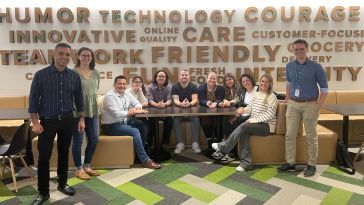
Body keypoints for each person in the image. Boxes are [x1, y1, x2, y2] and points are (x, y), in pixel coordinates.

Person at [29, 43, 85, 205]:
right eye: (61, 54)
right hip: (47, 122)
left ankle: (62, 183)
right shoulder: (41, 75)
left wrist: (81, 119)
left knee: (63, 152)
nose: (64, 57)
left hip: (68, 120)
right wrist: (35, 122)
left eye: (67, 55)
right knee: (44, 157)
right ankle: (43, 192)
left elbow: (79, 100)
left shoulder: (74, 76)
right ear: (54, 55)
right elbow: (33, 100)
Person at [277, 39, 328, 177]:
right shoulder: (289, 66)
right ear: (293, 50)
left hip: (310, 104)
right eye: (296, 49)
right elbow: (288, 83)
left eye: (301, 49)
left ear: (306, 50)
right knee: (290, 135)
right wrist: (287, 98)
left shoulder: (316, 67)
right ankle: (290, 162)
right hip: (293, 104)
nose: (299, 51)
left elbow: (324, 89)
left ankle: (311, 164)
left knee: (311, 136)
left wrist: (319, 105)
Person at [211, 74, 278, 172]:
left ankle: (224, 147)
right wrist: (243, 109)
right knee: (244, 133)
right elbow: (250, 108)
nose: (264, 83)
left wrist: (252, 120)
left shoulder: (272, 97)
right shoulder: (257, 94)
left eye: (266, 82)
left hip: (266, 126)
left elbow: (270, 115)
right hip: (256, 125)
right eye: (262, 81)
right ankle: (246, 164)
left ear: (270, 83)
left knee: (243, 126)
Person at [101, 75, 161, 169]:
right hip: (111, 126)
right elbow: (117, 114)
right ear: (114, 85)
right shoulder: (110, 96)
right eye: (119, 84)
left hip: (123, 121)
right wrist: (132, 112)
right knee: (135, 131)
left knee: (143, 125)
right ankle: (145, 160)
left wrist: (136, 108)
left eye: (124, 84)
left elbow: (137, 103)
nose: (122, 86)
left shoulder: (126, 93)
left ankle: (139, 153)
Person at [214, 73, 258, 163]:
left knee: (235, 124)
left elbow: (270, 94)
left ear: (252, 80)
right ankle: (229, 151)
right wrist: (235, 117)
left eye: (247, 81)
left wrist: (285, 98)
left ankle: (226, 151)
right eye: (243, 81)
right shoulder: (243, 91)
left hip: (254, 115)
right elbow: (239, 103)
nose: (245, 83)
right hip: (243, 114)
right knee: (228, 123)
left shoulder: (257, 89)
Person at [71, 47, 100, 180]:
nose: (86, 58)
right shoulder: (72, 73)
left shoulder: (96, 73)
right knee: (78, 141)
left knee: (94, 139)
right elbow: (71, 94)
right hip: (77, 112)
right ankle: (78, 169)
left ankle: (87, 165)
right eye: (84, 55)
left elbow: (94, 91)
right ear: (78, 56)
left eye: (89, 55)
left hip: (93, 110)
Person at [172, 69, 201, 154]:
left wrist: (189, 104)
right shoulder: (175, 87)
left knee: (196, 119)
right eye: (182, 75)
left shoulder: (193, 86)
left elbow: (195, 99)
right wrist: (181, 104)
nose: (184, 76)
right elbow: (175, 100)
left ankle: (195, 143)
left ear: (189, 77)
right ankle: (180, 143)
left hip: (191, 111)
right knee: (175, 120)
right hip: (179, 112)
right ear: (179, 77)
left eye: (186, 75)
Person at [197, 71, 225, 156]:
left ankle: (218, 142)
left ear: (216, 80)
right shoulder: (201, 87)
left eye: (214, 78)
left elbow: (220, 98)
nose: (212, 80)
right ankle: (209, 142)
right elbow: (201, 100)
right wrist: (207, 102)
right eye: (210, 78)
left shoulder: (220, 88)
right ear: (207, 79)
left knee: (218, 119)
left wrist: (215, 103)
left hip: (217, 111)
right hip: (206, 110)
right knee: (205, 119)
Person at [147, 70, 173, 152]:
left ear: (166, 78)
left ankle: (165, 144)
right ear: (156, 77)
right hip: (154, 111)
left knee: (170, 120)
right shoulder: (150, 87)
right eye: (159, 76)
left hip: (165, 111)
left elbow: (170, 100)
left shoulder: (169, 87)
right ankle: (150, 144)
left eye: (163, 76)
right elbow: (150, 100)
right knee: (151, 122)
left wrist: (164, 104)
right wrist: (157, 105)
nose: (161, 78)